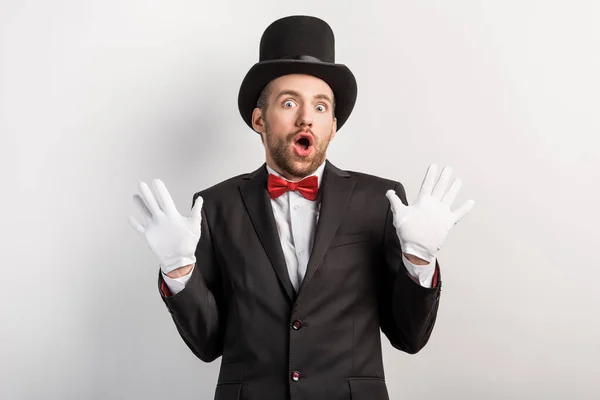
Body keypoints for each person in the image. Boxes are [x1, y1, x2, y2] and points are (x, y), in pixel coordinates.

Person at [129, 15, 474, 400]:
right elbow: (208, 343)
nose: (306, 117)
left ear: (332, 125)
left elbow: (409, 337)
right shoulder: (214, 206)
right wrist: (179, 272)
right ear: (260, 119)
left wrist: (420, 262)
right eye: (289, 102)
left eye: (321, 107)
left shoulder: (382, 202)